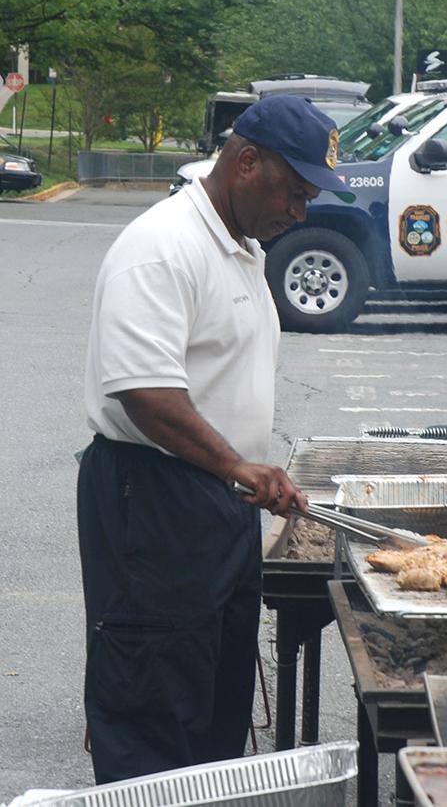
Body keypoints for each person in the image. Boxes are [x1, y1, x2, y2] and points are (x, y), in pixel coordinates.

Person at [77, 95, 352, 783]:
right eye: (294, 190)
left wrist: (241, 471)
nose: (301, 211)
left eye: (309, 196)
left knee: (215, 695)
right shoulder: (162, 245)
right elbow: (142, 391)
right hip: (155, 499)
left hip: (217, 497)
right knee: (155, 700)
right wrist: (236, 464)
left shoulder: (239, 247)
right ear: (246, 161)